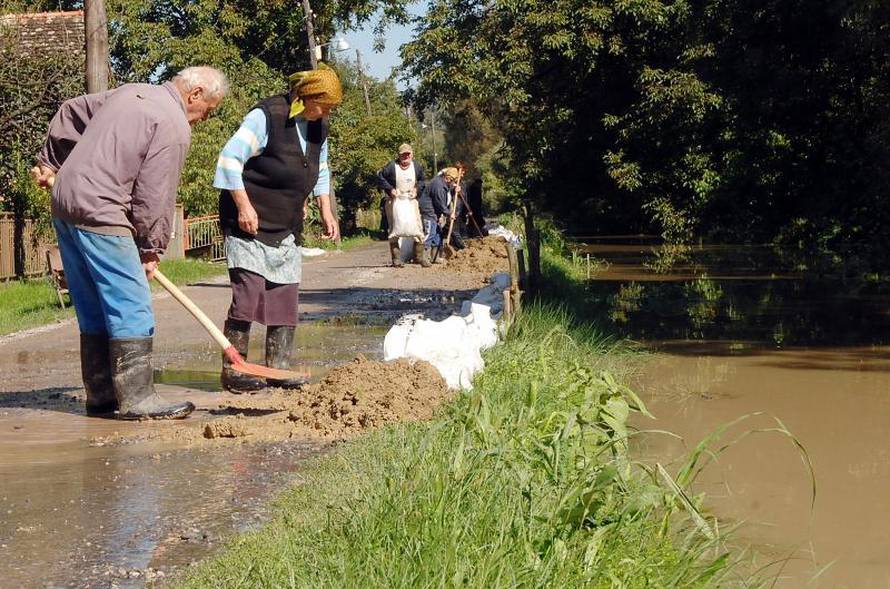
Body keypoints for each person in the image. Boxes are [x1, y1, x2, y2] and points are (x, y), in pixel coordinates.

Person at [31, 66, 228, 420]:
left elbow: (71, 110)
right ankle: (138, 399)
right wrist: (150, 247)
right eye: (208, 110)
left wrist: (51, 162)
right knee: (131, 303)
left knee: (92, 303)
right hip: (102, 209)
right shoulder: (173, 125)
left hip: (66, 201)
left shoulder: (131, 92)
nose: (204, 118)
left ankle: (102, 395)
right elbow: (155, 194)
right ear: (195, 94)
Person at [214, 64, 341, 393]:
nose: (327, 112)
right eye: (324, 105)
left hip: (285, 225)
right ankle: (235, 370)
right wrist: (243, 206)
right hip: (249, 222)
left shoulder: (318, 126)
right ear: (307, 97)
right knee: (248, 294)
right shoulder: (267, 116)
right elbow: (229, 160)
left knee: (284, 296)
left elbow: (321, 168)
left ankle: (278, 368)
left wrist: (326, 209)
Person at [376, 143, 429, 267]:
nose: (405, 157)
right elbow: (380, 177)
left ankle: (419, 257)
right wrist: (390, 190)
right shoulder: (391, 166)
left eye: (408, 154)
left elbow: (422, 181)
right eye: (403, 155)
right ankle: (396, 259)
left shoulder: (416, 166)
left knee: (418, 228)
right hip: (395, 201)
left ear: (412, 154)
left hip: (410, 200)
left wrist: (417, 190)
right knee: (394, 229)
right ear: (399, 156)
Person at [419, 167, 460, 261]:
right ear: (448, 178)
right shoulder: (438, 186)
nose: (453, 183)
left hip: (435, 212)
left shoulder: (443, 182)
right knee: (430, 233)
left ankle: (435, 257)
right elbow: (440, 204)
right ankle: (423, 258)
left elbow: (447, 192)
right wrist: (450, 214)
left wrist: (454, 189)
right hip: (429, 211)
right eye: (453, 181)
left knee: (438, 234)